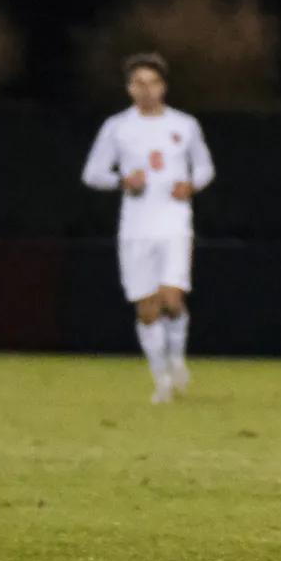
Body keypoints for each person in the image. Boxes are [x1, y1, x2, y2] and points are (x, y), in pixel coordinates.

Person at [82, 53, 215, 404]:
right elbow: (92, 173)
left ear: (164, 87)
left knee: (171, 299)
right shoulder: (117, 127)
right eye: (138, 83)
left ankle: (175, 359)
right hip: (135, 229)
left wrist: (191, 184)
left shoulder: (184, 125)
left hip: (174, 223)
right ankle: (163, 382)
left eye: (152, 82)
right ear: (129, 88)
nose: (146, 89)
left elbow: (204, 167)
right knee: (146, 309)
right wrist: (122, 181)